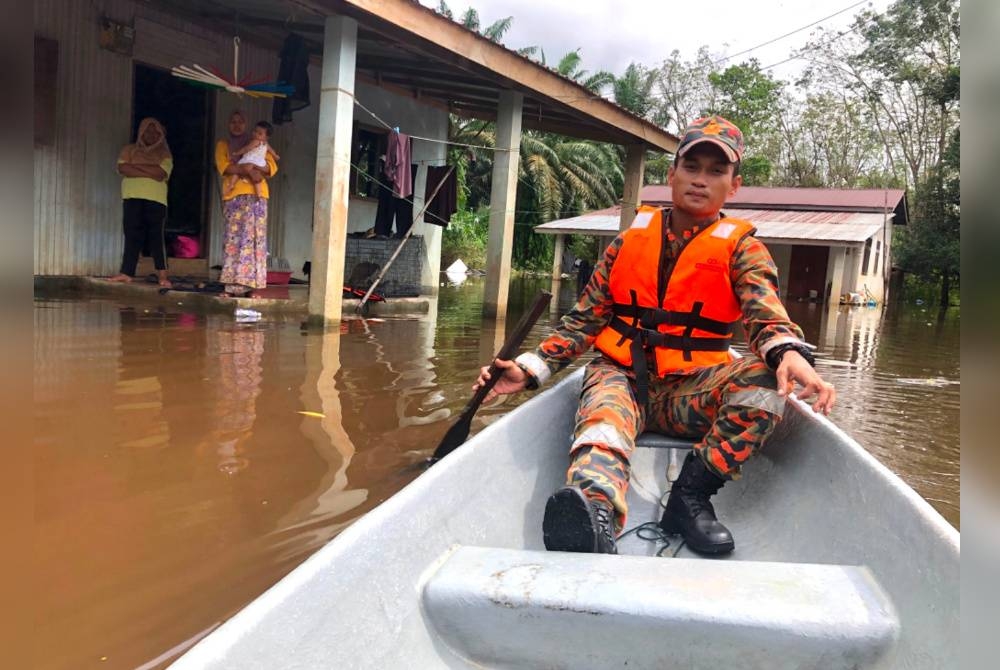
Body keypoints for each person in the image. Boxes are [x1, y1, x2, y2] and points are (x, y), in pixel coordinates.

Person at [473, 116, 836, 556]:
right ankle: (594, 512)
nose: (701, 180)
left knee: (763, 382)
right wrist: (529, 370)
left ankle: (689, 497)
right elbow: (583, 320)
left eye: (716, 171)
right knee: (603, 425)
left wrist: (787, 353)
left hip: (693, 389)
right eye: (692, 166)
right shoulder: (627, 243)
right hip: (621, 375)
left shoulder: (744, 250)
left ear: (733, 186)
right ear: (672, 175)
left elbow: (766, 313)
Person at [215, 111, 278, 297]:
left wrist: (254, 168)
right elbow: (225, 167)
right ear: (228, 124)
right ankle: (230, 286)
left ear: (247, 125)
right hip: (234, 197)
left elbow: (271, 167)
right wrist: (248, 171)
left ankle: (253, 288)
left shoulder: (259, 143)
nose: (236, 125)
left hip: (257, 198)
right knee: (233, 241)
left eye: (240, 121)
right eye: (233, 121)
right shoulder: (223, 145)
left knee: (255, 241)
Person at [108, 117, 173, 288]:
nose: (151, 134)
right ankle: (126, 273)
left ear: (161, 134)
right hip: (131, 196)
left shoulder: (164, 153)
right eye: (147, 131)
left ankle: (163, 275)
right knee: (132, 235)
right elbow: (123, 168)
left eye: (155, 131)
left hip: (156, 199)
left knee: (156, 237)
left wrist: (136, 167)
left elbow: (161, 173)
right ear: (141, 132)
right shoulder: (129, 149)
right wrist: (149, 169)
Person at [223, 121, 280, 199]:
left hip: (250, 160)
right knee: (254, 177)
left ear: (266, 137)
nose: (256, 134)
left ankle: (231, 184)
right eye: (255, 131)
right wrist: (275, 155)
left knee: (238, 172)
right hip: (258, 162)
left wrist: (237, 153)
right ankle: (259, 193)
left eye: (259, 133)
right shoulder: (265, 144)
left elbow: (246, 149)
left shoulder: (255, 141)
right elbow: (271, 151)